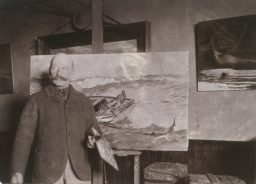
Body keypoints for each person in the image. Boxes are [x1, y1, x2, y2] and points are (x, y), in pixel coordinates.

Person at [10, 53, 102, 184]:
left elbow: (96, 132)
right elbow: (23, 138)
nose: (58, 72)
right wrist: (17, 171)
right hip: (46, 173)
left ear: (72, 72)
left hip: (79, 174)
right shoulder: (35, 100)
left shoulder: (84, 101)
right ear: (49, 70)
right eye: (54, 67)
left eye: (64, 68)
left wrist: (94, 140)